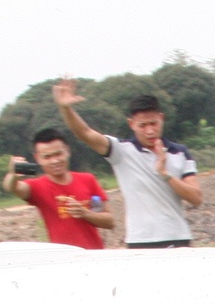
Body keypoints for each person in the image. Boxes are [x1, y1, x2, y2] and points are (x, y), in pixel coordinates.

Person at [54, 84, 201, 248]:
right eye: (143, 125)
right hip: (139, 241)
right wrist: (66, 109)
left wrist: (165, 174)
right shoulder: (121, 151)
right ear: (131, 124)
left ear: (162, 118)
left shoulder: (179, 153)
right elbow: (85, 133)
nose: (150, 131)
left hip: (177, 237)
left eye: (154, 123)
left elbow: (196, 198)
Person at [3, 128, 114, 249]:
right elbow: (11, 187)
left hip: (93, 256)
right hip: (63, 260)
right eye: (47, 157)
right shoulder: (37, 187)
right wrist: (13, 174)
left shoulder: (88, 180)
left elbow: (109, 221)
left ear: (67, 151)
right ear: (38, 158)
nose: (54, 161)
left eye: (58, 154)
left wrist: (85, 213)